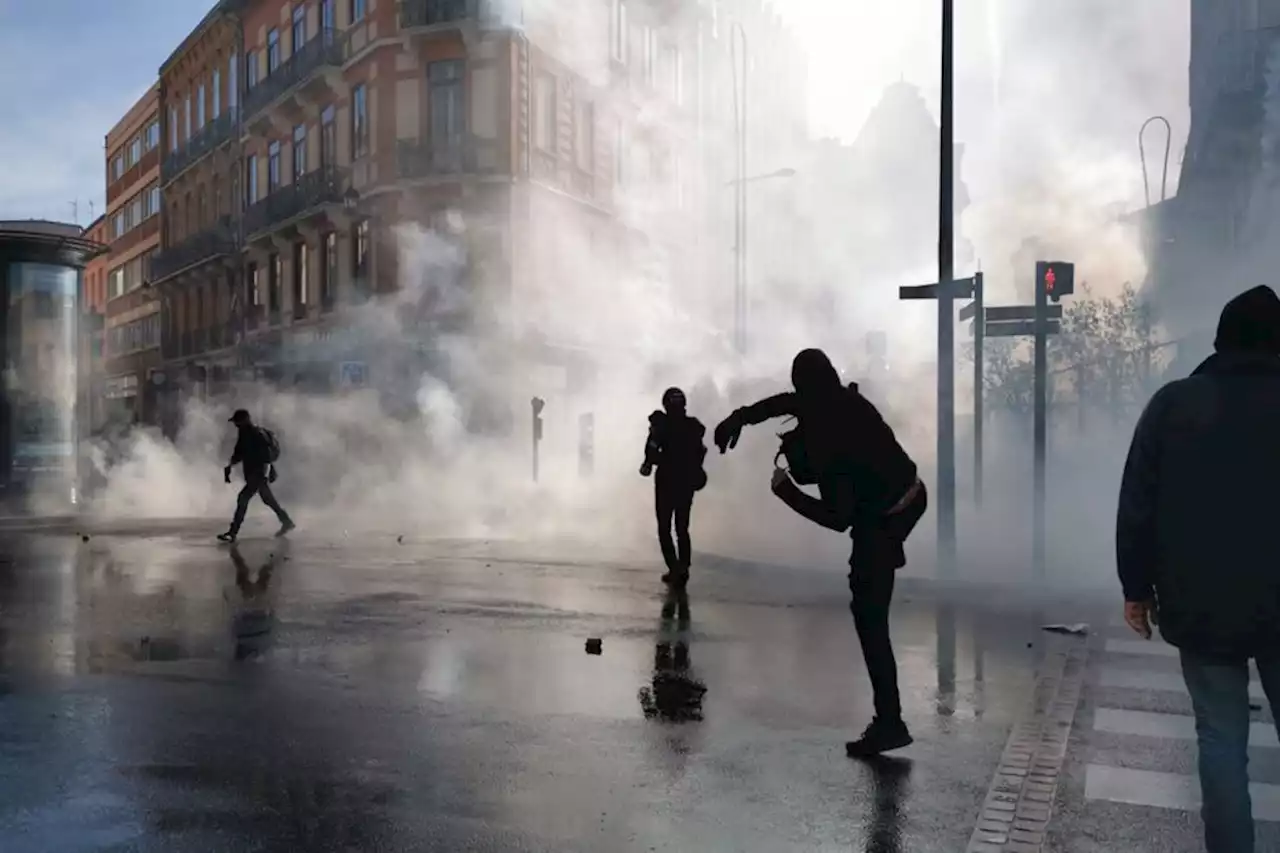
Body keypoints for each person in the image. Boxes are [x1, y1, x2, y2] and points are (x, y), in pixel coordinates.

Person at [1117, 285, 1280, 853]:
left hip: (1203, 600)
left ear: (1219, 340)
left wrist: (1136, 589)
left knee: (1219, 739)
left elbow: (1138, 500)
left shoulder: (1173, 403)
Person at [713, 348, 927, 757]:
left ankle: (890, 723)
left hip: (882, 517)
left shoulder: (832, 444)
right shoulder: (831, 398)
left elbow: (837, 518)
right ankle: (885, 555)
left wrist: (786, 492)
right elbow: (782, 403)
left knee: (869, 616)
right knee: (870, 569)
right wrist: (740, 416)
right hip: (909, 496)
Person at [640, 387, 708, 586]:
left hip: (667, 480)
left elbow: (651, 452)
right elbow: (700, 452)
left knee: (665, 527)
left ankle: (675, 568)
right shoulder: (693, 427)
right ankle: (683, 567)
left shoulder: (661, 426)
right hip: (685, 481)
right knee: (682, 527)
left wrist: (651, 462)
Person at [218, 409, 294, 543]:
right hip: (254, 474)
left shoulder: (257, 434)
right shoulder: (244, 434)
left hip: (258, 474)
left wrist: (264, 475)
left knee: (243, 498)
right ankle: (286, 521)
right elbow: (239, 453)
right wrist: (229, 466)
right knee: (268, 500)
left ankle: (233, 532)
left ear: (245, 420)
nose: (235, 424)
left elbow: (266, 457)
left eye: (237, 421)